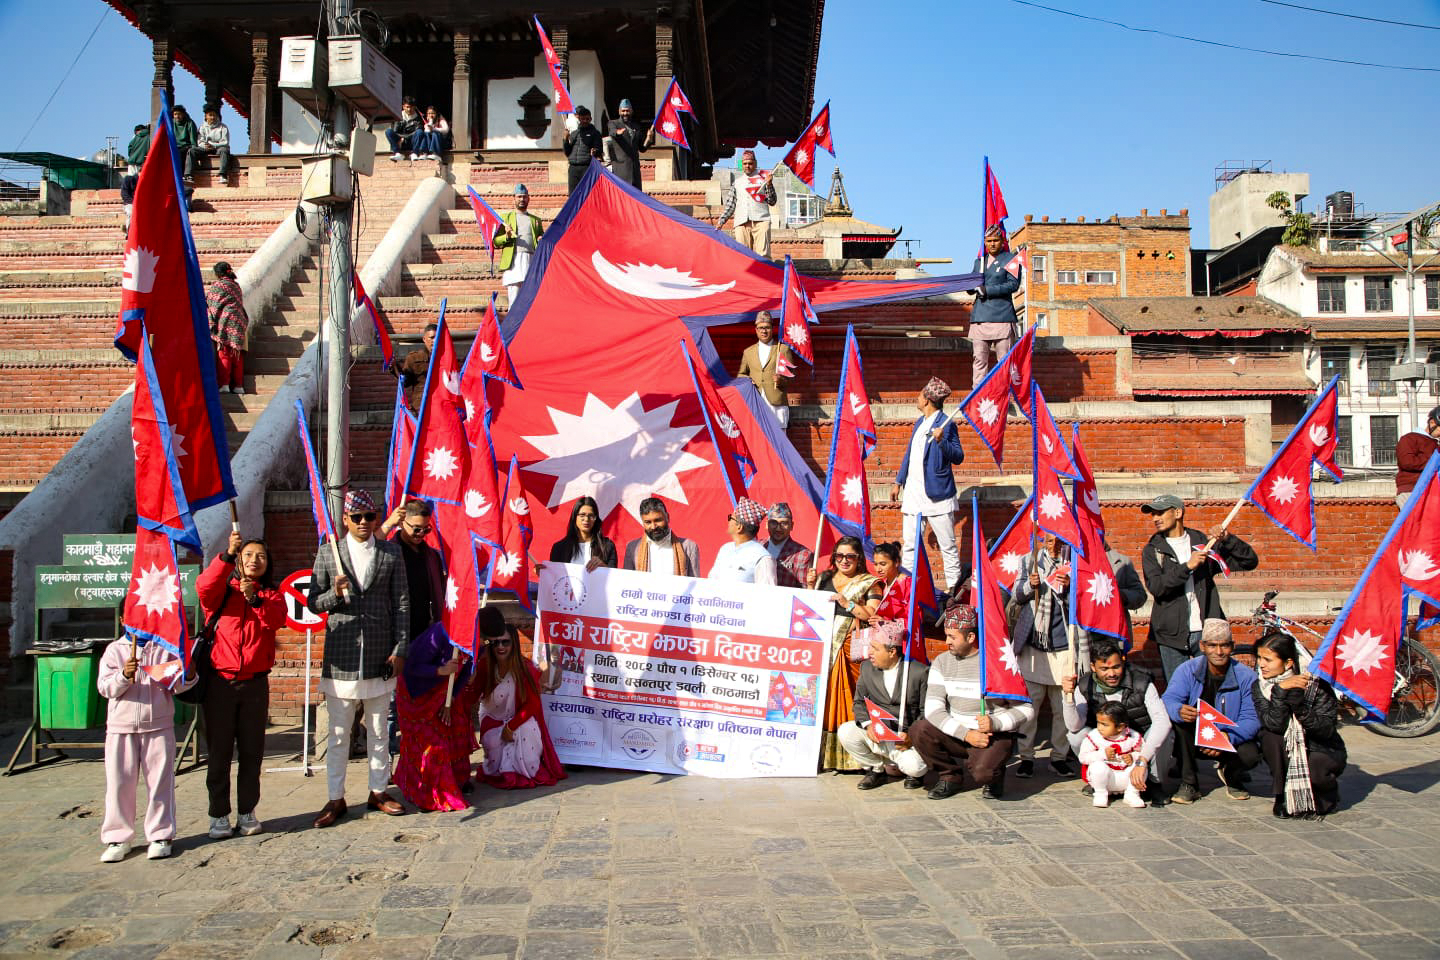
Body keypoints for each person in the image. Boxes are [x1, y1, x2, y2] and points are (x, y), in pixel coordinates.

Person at [308, 489, 411, 828]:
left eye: (370, 517)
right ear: (345, 520)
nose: (364, 523)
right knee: (339, 733)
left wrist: (399, 649)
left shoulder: (390, 553)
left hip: (381, 652)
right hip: (342, 654)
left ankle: (378, 790)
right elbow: (313, 603)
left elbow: (401, 604)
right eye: (357, 517)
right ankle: (335, 797)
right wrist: (333, 595)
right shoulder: (329, 553)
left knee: (380, 729)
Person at [197, 530, 285, 840]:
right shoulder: (222, 593)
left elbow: (276, 620)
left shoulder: (270, 595)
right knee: (219, 753)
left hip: (255, 687)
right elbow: (203, 587)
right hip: (220, 683)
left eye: (260, 556)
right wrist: (226, 555)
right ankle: (218, 814)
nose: (254, 560)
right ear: (238, 560)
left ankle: (247, 810)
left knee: (252, 753)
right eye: (248, 555)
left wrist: (255, 599)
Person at [910, 605, 1035, 800]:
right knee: (919, 729)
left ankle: (995, 774)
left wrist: (996, 723)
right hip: (960, 732)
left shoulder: (999, 663)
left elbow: (1026, 709)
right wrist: (966, 734)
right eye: (946, 635)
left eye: (952, 637)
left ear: (970, 638)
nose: (946, 642)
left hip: (992, 735)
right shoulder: (942, 662)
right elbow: (933, 711)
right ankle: (949, 777)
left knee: (982, 773)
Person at [96, 634, 197, 861]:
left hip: (158, 725)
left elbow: (179, 685)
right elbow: (105, 688)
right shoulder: (114, 650)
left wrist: (189, 671)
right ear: (124, 619)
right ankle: (117, 838)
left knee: (160, 782)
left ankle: (161, 835)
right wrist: (124, 675)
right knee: (119, 783)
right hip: (121, 727)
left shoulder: (163, 649)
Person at [1140, 494, 1259, 681]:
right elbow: (1157, 587)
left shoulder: (1203, 542)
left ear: (1177, 512)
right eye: (1153, 514)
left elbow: (1249, 561)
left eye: (1160, 512)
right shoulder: (1153, 549)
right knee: (1178, 690)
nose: (1155, 518)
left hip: (1207, 630)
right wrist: (1187, 566)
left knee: (1211, 688)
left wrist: (1228, 539)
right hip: (1170, 634)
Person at [1161, 618, 1262, 804]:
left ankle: (1232, 775)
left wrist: (1228, 737)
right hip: (1196, 735)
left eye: (1224, 646)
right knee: (1179, 725)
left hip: (1229, 735)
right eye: (1212, 645)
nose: (1218, 652)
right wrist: (1178, 710)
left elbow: (1252, 718)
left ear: (1232, 646)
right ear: (1202, 646)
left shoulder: (1247, 676)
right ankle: (1189, 783)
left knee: (1251, 754)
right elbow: (1168, 699)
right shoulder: (1187, 670)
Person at [1062, 639, 1171, 806]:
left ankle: (1154, 783)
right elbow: (1074, 726)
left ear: (1123, 662)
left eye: (1116, 667)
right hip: (1107, 741)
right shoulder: (1085, 685)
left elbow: (1162, 722)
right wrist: (1067, 697)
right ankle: (1100, 781)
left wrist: (1141, 761)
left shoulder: (1143, 682)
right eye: (1104, 669)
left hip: (1139, 740)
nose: (1111, 674)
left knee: (1166, 734)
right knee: (1076, 736)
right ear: (1093, 667)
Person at [806, 536, 882, 771]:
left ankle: (855, 756)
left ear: (859, 558)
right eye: (839, 556)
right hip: (823, 648)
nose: (844, 561)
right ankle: (821, 756)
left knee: (848, 698)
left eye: (850, 556)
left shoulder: (870, 583)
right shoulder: (824, 578)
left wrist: (846, 602)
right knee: (823, 698)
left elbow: (871, 614)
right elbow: (811, 606)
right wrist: (810, 586)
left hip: (849, 649)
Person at [1252, 632, 1346, 819]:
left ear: (1288, 663)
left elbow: (1326, 729)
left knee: (1315, 769)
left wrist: (1301, 709)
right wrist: (1280, 691)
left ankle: (1327, 794)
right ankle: (1282, 795)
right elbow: (1273, 724)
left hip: (1321, 746)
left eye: (1268, 660)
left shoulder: (1316, 684)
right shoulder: (1260, 686)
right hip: (1287, 745)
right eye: (1260, 658)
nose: (1261, 664)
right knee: (1270, 738)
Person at [1010, 533, 1078, 780]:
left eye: (1059, 541)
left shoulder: (1076, 563)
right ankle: (1026, 757)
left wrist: (1070, 586)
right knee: (1030, 707)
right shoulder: (1029, 561)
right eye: (1049, 541)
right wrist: (1031, 585)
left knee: (1063, 706)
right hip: (1034, 645)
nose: (1054, 546)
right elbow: (1016, 594)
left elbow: (1082, 603)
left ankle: (1059, 757)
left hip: (1065, 644)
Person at [474, 606, 566, 788]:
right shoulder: (484, 666)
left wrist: (511, 725)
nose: (500, 647)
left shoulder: (525, 669)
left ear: (514, 644)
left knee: (526, 729)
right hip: (492, 718)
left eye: (505, 642)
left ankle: (523, 771)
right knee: (495, 738)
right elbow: (473, 695)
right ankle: (500, 768)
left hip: (517, 719)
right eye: (496, 643)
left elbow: (532, 704)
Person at [891, 377, 966, 590]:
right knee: (910, 547)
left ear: (927, 400)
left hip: (938, 495)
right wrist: (898, 481)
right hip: (914, 494)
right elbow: (910, 454)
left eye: (920, 394)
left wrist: (942, 441)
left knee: (948, 546)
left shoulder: (947, 423)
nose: (917, 397)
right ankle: (908, 588)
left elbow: (958, 456)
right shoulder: (918, 422)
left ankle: (954, 589)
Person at [395, 624, 475, 811]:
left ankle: (457, 780)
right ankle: (426, 793)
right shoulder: (440, 634)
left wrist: (451, 700)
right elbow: (411, 666)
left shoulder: (475, 641)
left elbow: (465, 671)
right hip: (416, 695)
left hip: (443, 694)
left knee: (456, 732)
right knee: (429, 745)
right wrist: (440, 670)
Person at [839, 631, 929, 789]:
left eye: (875, 648)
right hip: (878, 734)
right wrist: (868, 725)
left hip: (904, 739)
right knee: (846, 731)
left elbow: (926, 712)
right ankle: (876, 769)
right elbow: (859, 702)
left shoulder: (918, 672)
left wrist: (912, 737)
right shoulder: (867, 668)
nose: (870, 652)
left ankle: (911, 773)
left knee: (915, 767)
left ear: (892, 651)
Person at [968, 225, 1022, 386]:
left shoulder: (1011, 259)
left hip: (1002, 316)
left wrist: (988, 290)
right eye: (988, 241)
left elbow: (1013, 285)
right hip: (980, 317)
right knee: (979, 360)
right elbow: (971, 285)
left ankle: (1003, 394)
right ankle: (977, 395)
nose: (992, 244)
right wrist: (968, 285)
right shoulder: (979, 262)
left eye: (995, 240)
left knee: (1004, 362)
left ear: (1002, 241)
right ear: (984, 242)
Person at [1076, 702, 1147, 809]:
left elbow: (1144, 754)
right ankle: (1100, 794)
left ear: (1120, 727)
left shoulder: (1133, 737)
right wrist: (1102, 754)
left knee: (1141, 766)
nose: (1100, 727)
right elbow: (1083, 757)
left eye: (1105, 724)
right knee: (1097, 767)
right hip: (1105, 779)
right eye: (1098, 723)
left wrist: (1133, 756)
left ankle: (1132, 794)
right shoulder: (1094, 737)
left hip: (1126, 777)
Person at [736, 312, 795, 428]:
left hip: (776, 403)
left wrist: (781, 380)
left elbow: (791, 376)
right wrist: (748, 380)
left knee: (779, 440)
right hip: (756, 401)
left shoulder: (782, 349)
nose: (764, 331)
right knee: (759, 437)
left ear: (772, 328)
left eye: (767, 327)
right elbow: (741, 374)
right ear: (756, 330)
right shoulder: (748, 352)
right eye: (761, 328)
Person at [717, 150, 777, 257]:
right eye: (745, 164)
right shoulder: (737, 182)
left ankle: (762, 274)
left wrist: (769, 185)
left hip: (761, 220)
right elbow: (731, 205)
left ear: (755, 163)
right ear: (742, 164)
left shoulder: (764, 179)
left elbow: (772, 201)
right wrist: (722, 221)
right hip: (741, 222)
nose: (747, 166)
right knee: (743, 256)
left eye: (750, 163)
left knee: (763, 255)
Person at [623, 498, 701, 577]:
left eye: (658, 520)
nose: (653, 527)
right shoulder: (633, 548)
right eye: (648, 522)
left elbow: (695, 584)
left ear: (667, 517)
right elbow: (627, 583)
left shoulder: (688, 547)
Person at [495, 184, 544, 308]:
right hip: (513, 261)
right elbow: (496, 241)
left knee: (530, 298)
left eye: (524, 197)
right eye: (519, 197)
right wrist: (506, 236)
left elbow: (541, 239)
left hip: (530, 260)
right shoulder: (505, 218)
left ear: (528, 198)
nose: (522, 199)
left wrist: (540, 239)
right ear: (514, 198)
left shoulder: (535, 220)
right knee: (514, 297)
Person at [708, 497, 777, 584]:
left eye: (731, 518)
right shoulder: (725, 549)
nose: (728, 521)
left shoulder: (762, 558)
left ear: (739, 527)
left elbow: (768, 594)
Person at [206, 261, 249, 394]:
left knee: (224, 352)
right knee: (237, 353)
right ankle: (238, 386)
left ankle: (224, 383)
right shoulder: (236, 286)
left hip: (225, 321)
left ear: (218, 274)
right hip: (239, 321)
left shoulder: (218, 286)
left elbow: (211, 304)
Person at [548, 496, 618, 571]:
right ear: (575, 517)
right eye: (582, 515)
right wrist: (543, 572)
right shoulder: (559, 548)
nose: (586, 519)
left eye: (591, 516)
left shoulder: (607, 546)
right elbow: (554, 577)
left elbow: (613, 578)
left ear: (596, 519)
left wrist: (603, 567)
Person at [1396, 405, 1440, 510]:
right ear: (1432, 422)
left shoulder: (1436, 445)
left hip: (1431, 491)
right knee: (1416, 524)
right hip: (1412, 490)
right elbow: (1407, 462)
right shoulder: (1409, 439)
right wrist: (1435, 460)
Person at [761, 502, 812, 588]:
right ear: (767, 524)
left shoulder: (803, 555)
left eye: (784, 523)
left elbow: (803, 593)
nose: (778, 528)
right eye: (774, 523)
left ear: (792, 525)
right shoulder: (758, 547)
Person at [606, 98, 651, 189]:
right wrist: (617, 133)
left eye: (627, 111)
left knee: (636, 198)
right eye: (623, 111)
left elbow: (642, 148)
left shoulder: (636, 127)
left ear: (631, 111)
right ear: (619, 111)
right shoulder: (613, 123)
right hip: (621, 169)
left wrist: (649, 139)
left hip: (635, 171)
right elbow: (612, 132)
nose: (625, 113)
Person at [868, 542, 912, 625]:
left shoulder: (908, 584)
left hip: (901, 636)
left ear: (896, 562)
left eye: (883, 564)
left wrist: (886, 623)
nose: (878, 569)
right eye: (876, 564)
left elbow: (914, 618)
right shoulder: (881, 584)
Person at [562, 105, 603, 194]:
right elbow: (567, 152)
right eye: (582, 119)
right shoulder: (574, 134)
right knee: (573, 194)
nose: (585, 121)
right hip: (573, 167)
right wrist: (565, 140)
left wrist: (595, 151)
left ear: (590, 119)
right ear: (579, 119)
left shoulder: (595, 133)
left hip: (586, 167)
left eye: (587, 119)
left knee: (587, 194)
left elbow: (599, 149)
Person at [197, 107, 232, 181]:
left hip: (218, 148)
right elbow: (200, 141)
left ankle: (223, 175)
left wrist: (214, 145)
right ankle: (188, 175)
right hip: (206, 148)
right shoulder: (202, 127)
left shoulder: (223, 127)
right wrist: (205, 146)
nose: (212, 117)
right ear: (206, 116)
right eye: (210, 115)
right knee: (192, 151)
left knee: (224, 150)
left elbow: (225, 142)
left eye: (214, 115)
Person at [171, 104, 201, 182]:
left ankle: (182, 176)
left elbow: (193, 138)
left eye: (179, 114)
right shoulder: (171, 123)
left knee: (180, 153)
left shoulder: (190, 123)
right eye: (175, 114)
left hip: (186, 146)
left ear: (183, 114)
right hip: (174, 146)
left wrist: (193, 147)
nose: (177, 116)